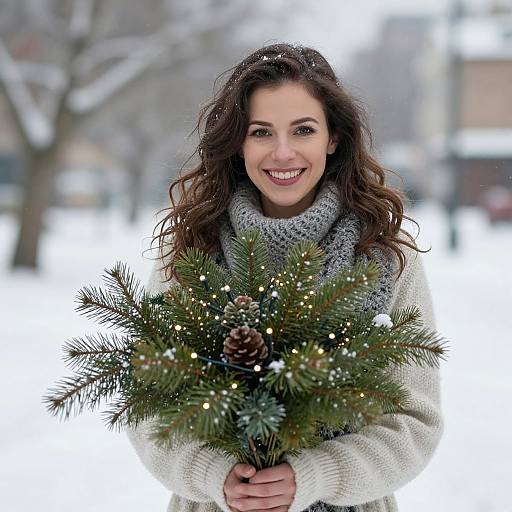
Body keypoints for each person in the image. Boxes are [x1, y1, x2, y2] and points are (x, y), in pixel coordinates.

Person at [127, 43, 444, 512]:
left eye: (303, 130)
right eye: (261, 132)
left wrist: (316, 476)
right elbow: (150, 406)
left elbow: (414, 419)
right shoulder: (193, 247)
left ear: (332, 138)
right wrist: (216, 475)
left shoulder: (383, 253)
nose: (282, 152)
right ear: (238, 141)